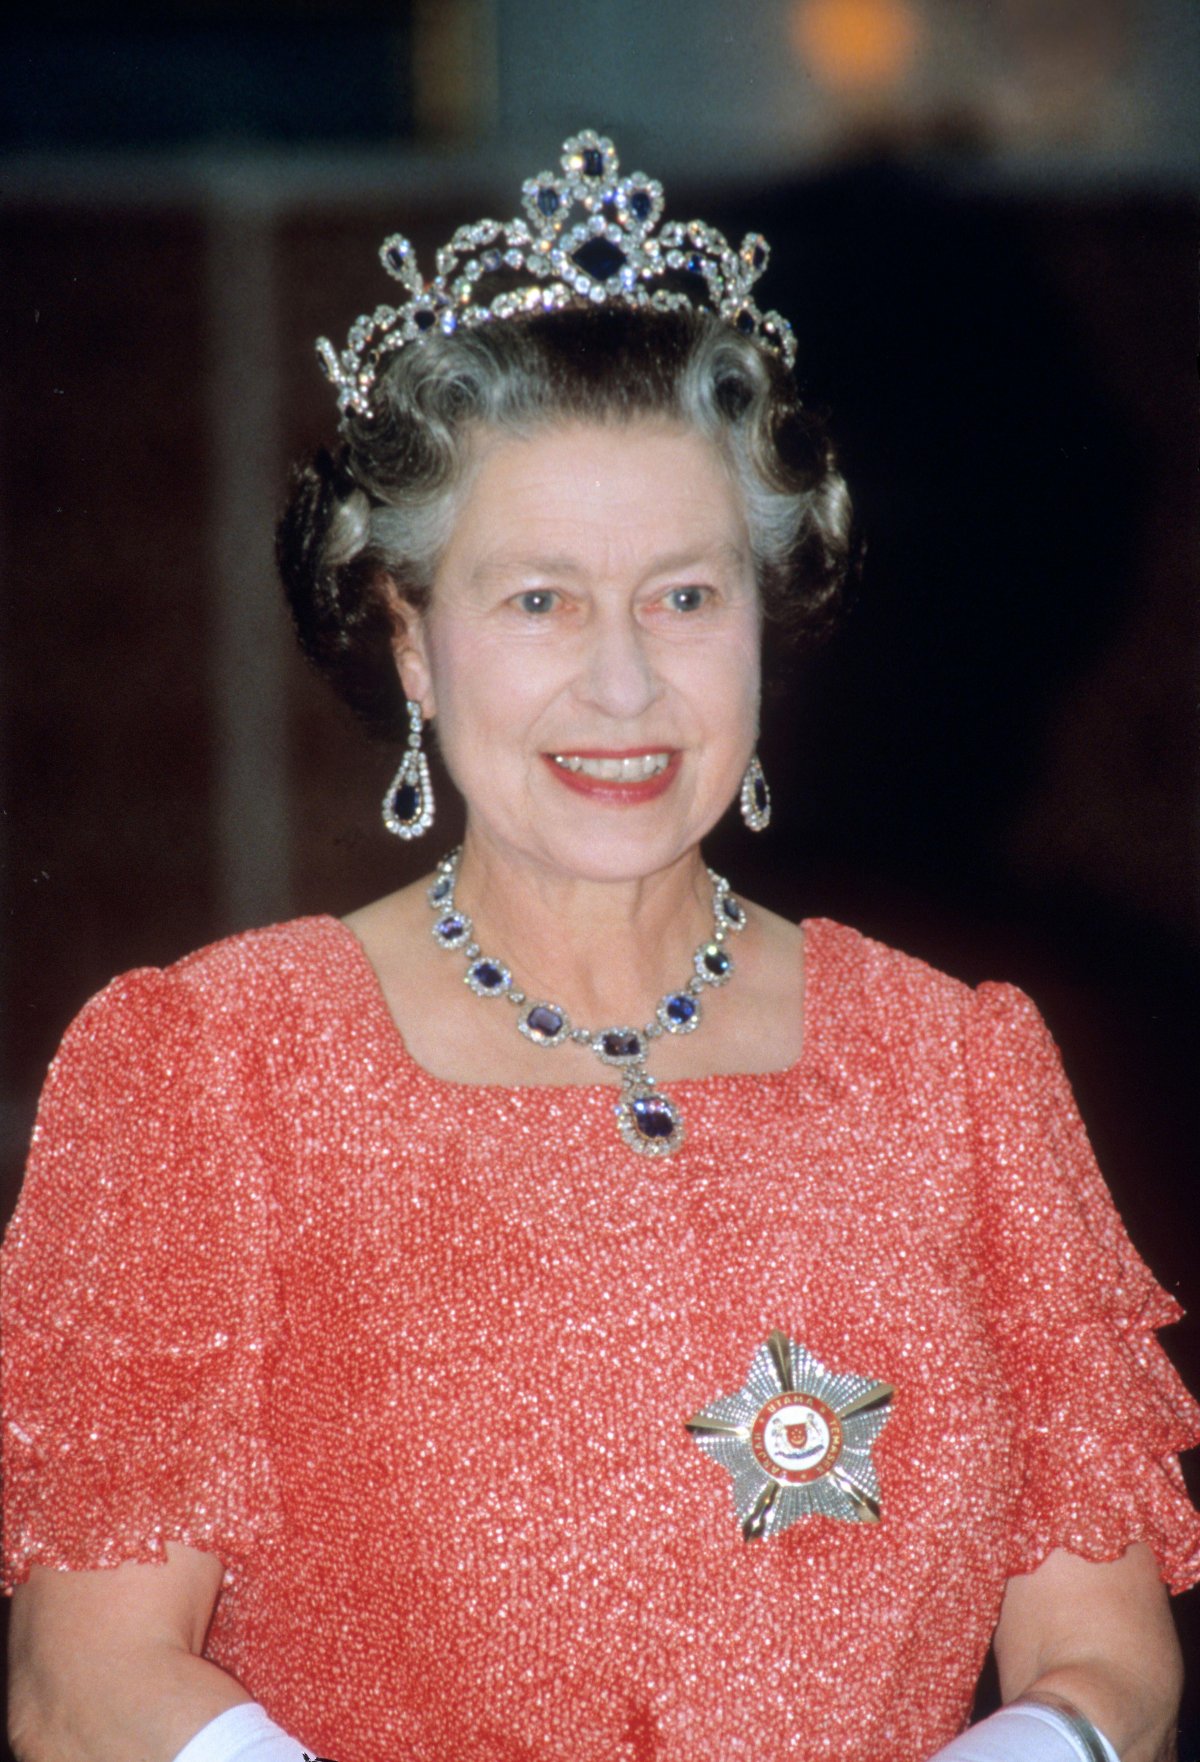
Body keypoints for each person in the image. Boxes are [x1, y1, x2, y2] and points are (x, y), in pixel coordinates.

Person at [3, 129, 1198, 1762]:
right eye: (541, 601)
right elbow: (86, 1685)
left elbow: (1104, 1657)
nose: (626, 689)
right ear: (413, 639)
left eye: (687, 596)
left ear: (766, 619)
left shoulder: (958, 1065)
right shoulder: (217, 1066)